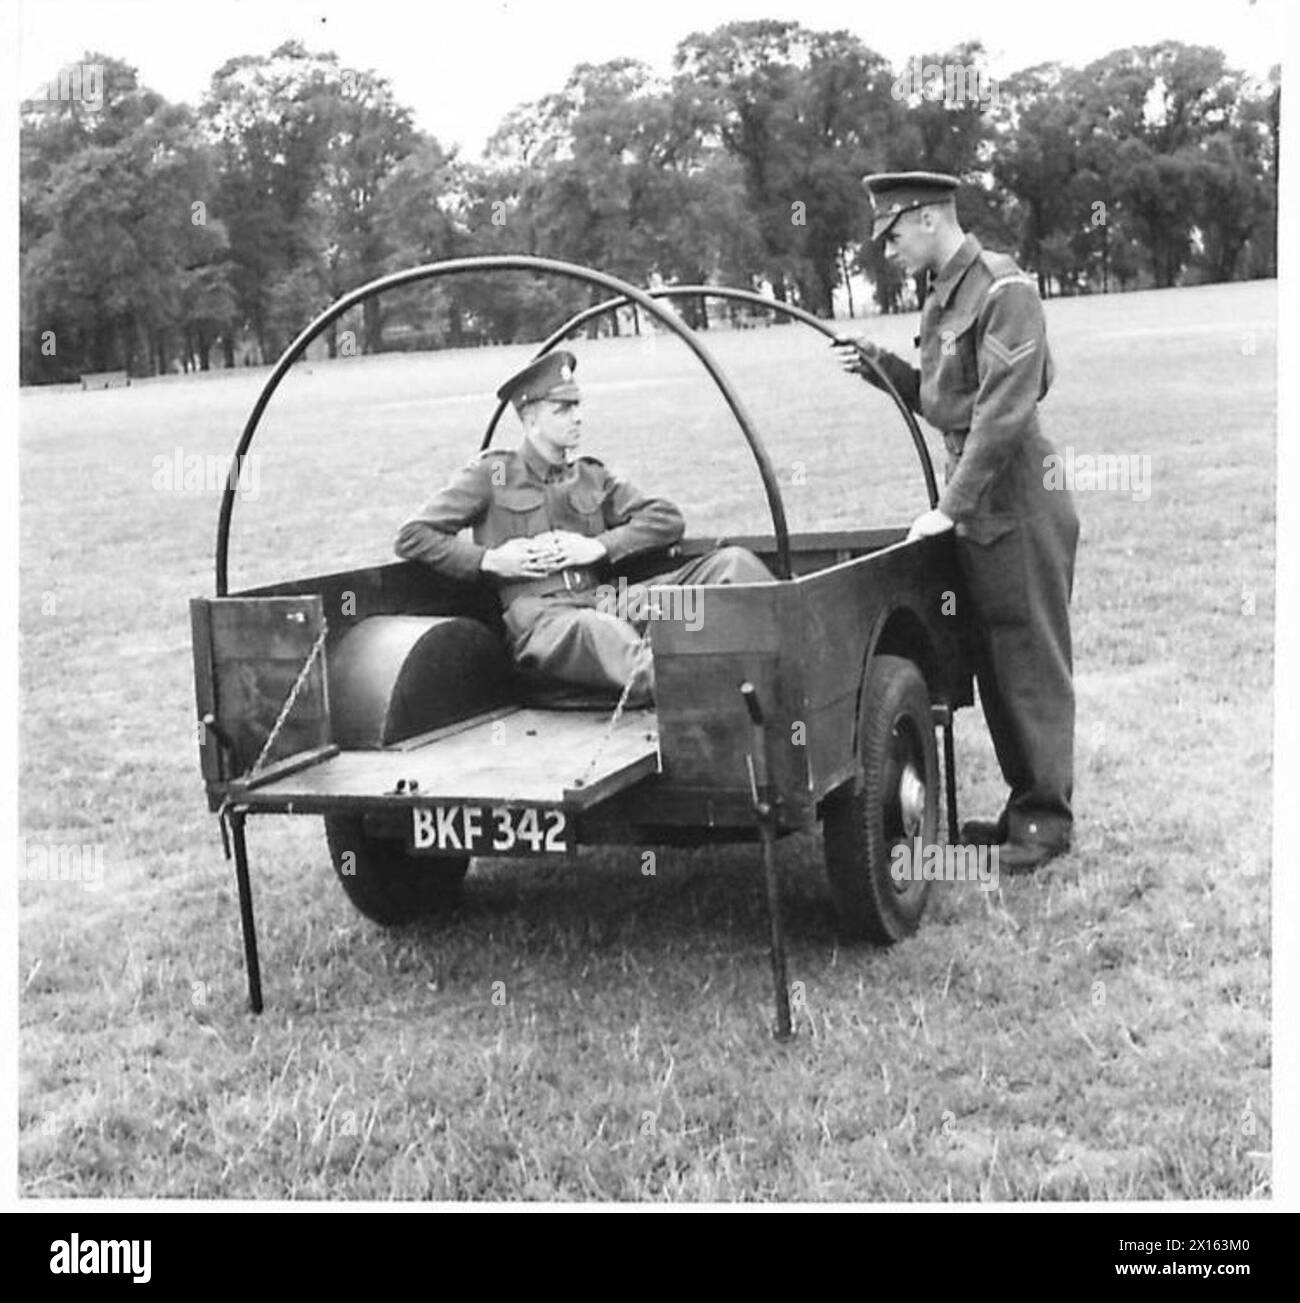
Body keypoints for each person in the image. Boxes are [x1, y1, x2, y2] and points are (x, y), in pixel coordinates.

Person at [834, 172, 1079, 873]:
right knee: (996, 661)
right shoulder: (944, 294)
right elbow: (949, 402)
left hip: (1019, 502)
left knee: (1030, 660)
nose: (890, 249)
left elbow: (1001, 417)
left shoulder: (1006, 290)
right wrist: (883, 367)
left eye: (895, 233)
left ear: (930, 217)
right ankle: (1023, 805)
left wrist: (947, 509)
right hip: (980, 507)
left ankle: (1046, 821)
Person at [395, 350, 771, 704]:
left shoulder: (591, 476)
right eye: (562, 409)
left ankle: (788, 665)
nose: (577, 417)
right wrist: (490, 559)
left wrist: (600, 546)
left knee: (733, 565)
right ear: (530, 421)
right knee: (601, 633)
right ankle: (727, 697)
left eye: (577, 406)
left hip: (608, 600)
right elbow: (413, 535)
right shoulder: (493, 473)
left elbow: (665, 518)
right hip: (542, 620)